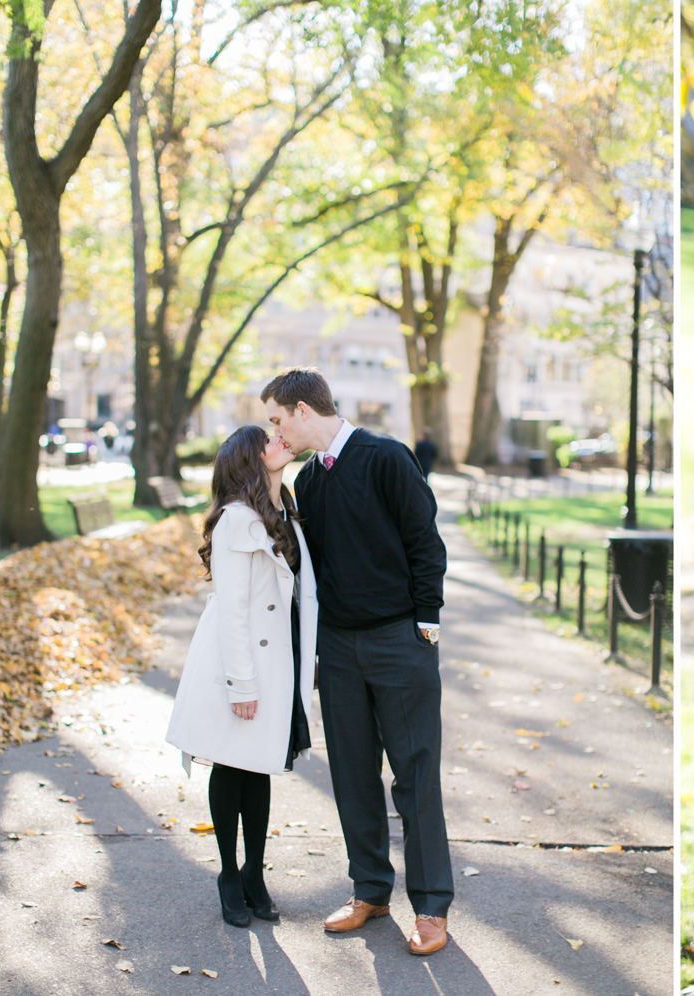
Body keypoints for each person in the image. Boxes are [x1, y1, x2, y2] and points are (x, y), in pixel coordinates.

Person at [261, 369, 453, 957]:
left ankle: (430, 906)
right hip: (338, 649)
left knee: (415, 774)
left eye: (276, 419)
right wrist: (273, 477)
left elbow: (425, 540)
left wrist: (426, 621)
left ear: (300, 409)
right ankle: (370, 889)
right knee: (351, 772)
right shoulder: (310, 481)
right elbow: (287, 549)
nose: (275, 432)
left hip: (400, 640)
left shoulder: (386, 457)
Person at [165, 424, 317, 928]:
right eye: (268, 442)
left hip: (275, 661)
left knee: (259, 767)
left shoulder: (282, 513)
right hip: (242, 663)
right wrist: (242, 684)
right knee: (232, 767)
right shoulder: (236, 521)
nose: (280, 441)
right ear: (251, 461)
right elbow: (231, 611)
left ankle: (255, 872)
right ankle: (230, 874)